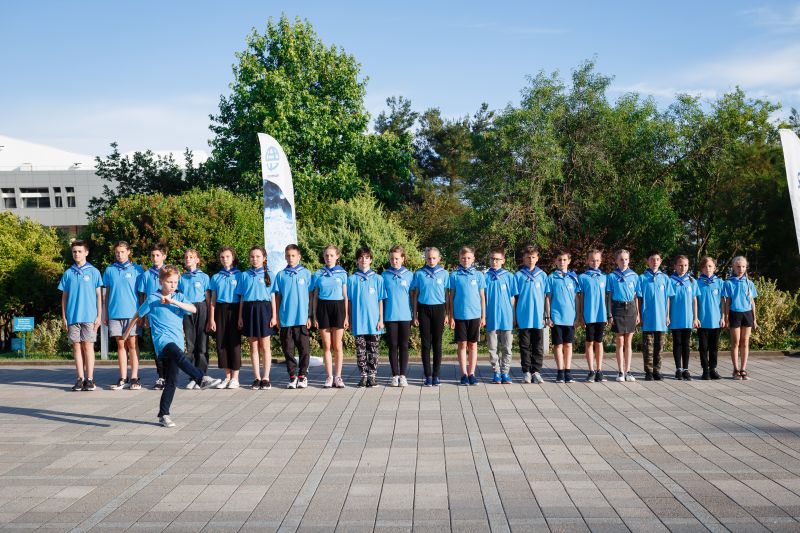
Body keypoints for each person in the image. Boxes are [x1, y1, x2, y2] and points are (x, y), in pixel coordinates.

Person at [122, 265, 221, 427]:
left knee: (172, 381)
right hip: (162, 341)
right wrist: (126, 333)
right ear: (161, 281)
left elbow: (193, 309)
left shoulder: (179, 297)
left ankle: (164, 414)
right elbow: (137, 314)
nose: (173, 285)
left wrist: (173, 301)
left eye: (175, 282)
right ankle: (200, 378)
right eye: (169, 282)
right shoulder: (153, 298)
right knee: (177, 355)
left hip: (177, 340)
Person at [59, 240, 102, 391]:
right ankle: (80, 378)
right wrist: (64, 316)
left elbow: (99, 296)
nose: (77, 254)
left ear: (86, 253)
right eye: (74, 252)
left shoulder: (94, 272)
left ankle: (90, 379)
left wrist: (99, 315)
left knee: (88, 346)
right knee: (76, 347)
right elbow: (64, 297)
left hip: (89, 316)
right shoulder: (68, 273)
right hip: (72, 316)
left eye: (79, 251)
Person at [103, 241, 144, 390]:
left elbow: (141, 294)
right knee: (120, 344)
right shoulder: (109, 270)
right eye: (117, 252)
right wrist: (106, 313)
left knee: (132, 344)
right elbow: (107, 294)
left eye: (122, 252)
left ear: (128, 252)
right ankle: (123, 377)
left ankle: (134, 377)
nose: (119, 255)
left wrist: (141, 314)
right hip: (114, 313)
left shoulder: (137, 269)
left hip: (132, 313)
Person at [273, 244, 313, 389]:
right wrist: (277, 317)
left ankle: (302, 376)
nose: (290, 258)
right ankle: (292, 376)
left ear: (299, 257)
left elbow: (311, 296)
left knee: (304, 349)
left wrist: (310, 316)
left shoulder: (306, 274)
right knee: (288, 350)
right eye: (288, 255)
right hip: (286, 319)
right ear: (285, 257)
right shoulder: (280, 275)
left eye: (293, 255)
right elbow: (277, 297)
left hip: (302, 318)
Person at [237, 246, 277, 390]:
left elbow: (273, 296)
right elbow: (242, 297)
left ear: (264, 258)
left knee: (265, 346)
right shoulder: (244, 275)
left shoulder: (270, 274)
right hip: (249, 310)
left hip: (264, 310)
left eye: (258, 256)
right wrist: (240, 316)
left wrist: (274, 316)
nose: (255, 259)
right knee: (253, 346)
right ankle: (257, 378)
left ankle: (266, 378)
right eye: (252, 256)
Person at [447, 246, 486, 385]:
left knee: (473, 345)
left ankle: (472, 373)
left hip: (475, 315)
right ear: (459, 258)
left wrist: (483, 316)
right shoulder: (454, 275)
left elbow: (482, 297)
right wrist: (451, 316)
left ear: (473, 258)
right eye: (463, 258)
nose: (466, 260)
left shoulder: (479, 275)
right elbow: (451, 297)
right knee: (462, 344)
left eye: (469, 258)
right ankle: (463, 374)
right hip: (460, 316)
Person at [311, 245, 348, 389]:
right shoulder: (318, 274)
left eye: (332, 255)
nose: (329, 258)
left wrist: (346, 317)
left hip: (338, 308)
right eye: (326, 255)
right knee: (327, 345)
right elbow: (314, 296)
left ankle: (338, 377)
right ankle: (329, 376)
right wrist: (314, 315)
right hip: (323, 308)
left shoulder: (342, 274)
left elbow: (345, 296)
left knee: (337, 345)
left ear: (337, 256)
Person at [411, 247, 449, 386]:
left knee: (437, 343)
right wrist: (414, 314)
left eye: (434, 258)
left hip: (439, 309)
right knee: (426, 344)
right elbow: (415, 295)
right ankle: (428, 375)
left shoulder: (444, 273)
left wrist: (447, 314)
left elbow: (447, 295)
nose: (431, 260)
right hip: (424, 309)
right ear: (425, 258)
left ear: (439, 258)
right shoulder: (419, 273)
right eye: (428, 258)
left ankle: (436, 375)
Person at [348, 247, 386, 387]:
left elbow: (380, 300)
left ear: (371, 260)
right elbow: (349, 302)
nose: (363, 260)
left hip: (374, 322)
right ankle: (363, 376)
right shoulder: (352, 279)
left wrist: (381, 319)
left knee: (373, 350)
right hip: (358, 321)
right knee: (360, 351)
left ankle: (372, 376)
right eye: (361, 257)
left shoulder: (378, 279)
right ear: (357, 260)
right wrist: (350, 320)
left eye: (366, 257)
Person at [544, 250, 581, 383]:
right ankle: (560, 372)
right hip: (556, 318)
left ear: (569, 261)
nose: (562, 262)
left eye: (564, 260)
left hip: (570, 318)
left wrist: (578, 316)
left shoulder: (573, 277)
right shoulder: (551, 278)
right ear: (555, 261)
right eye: (559, 260)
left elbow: (577, 298)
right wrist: (548, 316)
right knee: (558, 345)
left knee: (568, 345)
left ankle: (568, 371)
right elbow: (548, 298)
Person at [209, 247, 242, 389]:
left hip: (234, 309)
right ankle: (227, 377)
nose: (225, 259)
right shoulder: (216, 277)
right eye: (222, 257)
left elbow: (242, 297)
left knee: (234, 343)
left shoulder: (240, 275)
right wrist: (211, 318)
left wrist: (240, 316)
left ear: (233, 257)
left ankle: (235, 378)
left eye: (227, 256)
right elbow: (213, 299)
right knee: (221, 343)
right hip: (220, 310)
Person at [136, 243, 169, 389]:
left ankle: (170, 375)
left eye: (158, 255)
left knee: (169, 346)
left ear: (164, 256)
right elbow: (143, 297)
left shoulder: (170, 272)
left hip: (167, 316)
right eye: (153, 255)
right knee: (157, 347)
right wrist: (143, 316)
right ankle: (161, 377)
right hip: (152, 317)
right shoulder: (146, 275)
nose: (155, 258)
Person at [637, 251, 673, 382]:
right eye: (652, 259)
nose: (655, 262)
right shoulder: (642, 278)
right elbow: (639, 298)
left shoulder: (665, 278)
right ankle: (648, 371)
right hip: (648, 317)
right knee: (648, 347)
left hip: (661, 318)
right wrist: (639, 315)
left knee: (659, 346)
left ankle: (657, 370)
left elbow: (668, 298)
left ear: (661, 261)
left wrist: (667, 315)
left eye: (657, 259)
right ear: (647, 261)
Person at [605, 249, 640, 382]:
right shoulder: (612, 276)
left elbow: (636, 296)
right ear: (616, 261)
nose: (624, 261)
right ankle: (620, 371)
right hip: (617, 308)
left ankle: (628, 371)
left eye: (626, 259)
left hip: (630, 308)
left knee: (628, 341)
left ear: (629, 260)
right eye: (621, 259)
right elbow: (609, 296)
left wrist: (637, 313)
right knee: (620, 341)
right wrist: (609, 314)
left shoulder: (634, 276)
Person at [178, 249, 211, 389]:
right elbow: (179, 297)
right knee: (190, 346)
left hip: (201, 308)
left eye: (191, 257)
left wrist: (210, 317)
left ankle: (202, 375)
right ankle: (193, 377)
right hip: (187, 309)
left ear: (197, 260)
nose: (188, 259)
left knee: (202, 345)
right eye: (186, 257)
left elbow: (208, 297)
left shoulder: (204, 277)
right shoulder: (181, 278)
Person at [485, 247, 517, 384]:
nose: (495, 262)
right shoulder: (485, 277)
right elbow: (482, 298)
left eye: (498, 259)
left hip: (506, 317)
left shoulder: (509, 276)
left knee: (507, 347)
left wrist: (513, 316)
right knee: (493, 348)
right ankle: (496, 372)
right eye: (492, 259)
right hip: (491, 317)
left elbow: (513, 298)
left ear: (503, 260)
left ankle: (505, 372)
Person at [382, 245, 413, 387]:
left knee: (404, 346)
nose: (394, 261)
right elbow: (382, 298)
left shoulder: (410, 275)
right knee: (393, 346)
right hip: (390, 316)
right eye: (392, 259)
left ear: (403, 259)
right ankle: (395, 375)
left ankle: (403, 376)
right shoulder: (384, 276)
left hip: (405, 315)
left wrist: (415, 314)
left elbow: (413, 296)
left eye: (397, 258)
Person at [515, 245, 547, 385]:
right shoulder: (518, 276)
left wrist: (546, 315)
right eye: (528, 257)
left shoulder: (543, 275)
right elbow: (514, 298)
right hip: (523, 317)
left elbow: (546, 297)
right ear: (523, 258)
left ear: (537, 258)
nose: (531, 259)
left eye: (533, 257)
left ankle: (536, 371)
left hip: (538, 317)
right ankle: (526, 372)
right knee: (524, 346)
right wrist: (514, 316)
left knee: (538, 346)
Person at [724, 256, 758, 380]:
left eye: (743, 266)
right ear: (733, 267)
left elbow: (752, 302)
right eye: (738, 266)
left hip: (747, 314)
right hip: (734, 314)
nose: (741, 269)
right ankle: (735, 369)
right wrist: (726, 317)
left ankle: (743, 369)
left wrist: (754, 318)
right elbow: (727, 302)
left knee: (745, 341)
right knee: (736, 342)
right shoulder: (728, 283)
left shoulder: (749, 283)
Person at [577, 249, 607, 383]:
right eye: (592, 260)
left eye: (597, 260)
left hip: (601, 315)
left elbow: (607, 297)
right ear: (587, 261)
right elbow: (581, 297)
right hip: (589, 315)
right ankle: (591, 371)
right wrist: (581, 315)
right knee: (589, 342)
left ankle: (599, 370)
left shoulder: (604, 277)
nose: (595, 262)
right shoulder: (583, 277)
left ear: (600, 261)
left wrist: (608, 314)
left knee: (599, 342)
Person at [669, 255, 699, 380]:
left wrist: (695, 317)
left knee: (686, 343)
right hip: (675, 317)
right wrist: (667, 316)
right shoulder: (670, 281)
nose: (683, 268)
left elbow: (694, 300)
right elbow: (668, 300)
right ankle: (678, 369)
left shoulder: (692, 281)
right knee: (677, 343)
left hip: (688, 317)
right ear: (675, 266)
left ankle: (686, 369)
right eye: (680, 265)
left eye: (686, 265)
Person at [696, 256, 725, 380]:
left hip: (716, 320)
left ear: (715, 268)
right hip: (702, 320)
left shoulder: (720, 282)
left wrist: (723, 317)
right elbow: (694, 302)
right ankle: (705, 370)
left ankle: (713, 369)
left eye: (710, 266)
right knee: (703, 347)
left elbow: (723, 302)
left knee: (714, 346)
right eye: (705, 266)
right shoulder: (697, 283)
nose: (707, 268)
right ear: (701, 268)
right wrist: (695, 318)